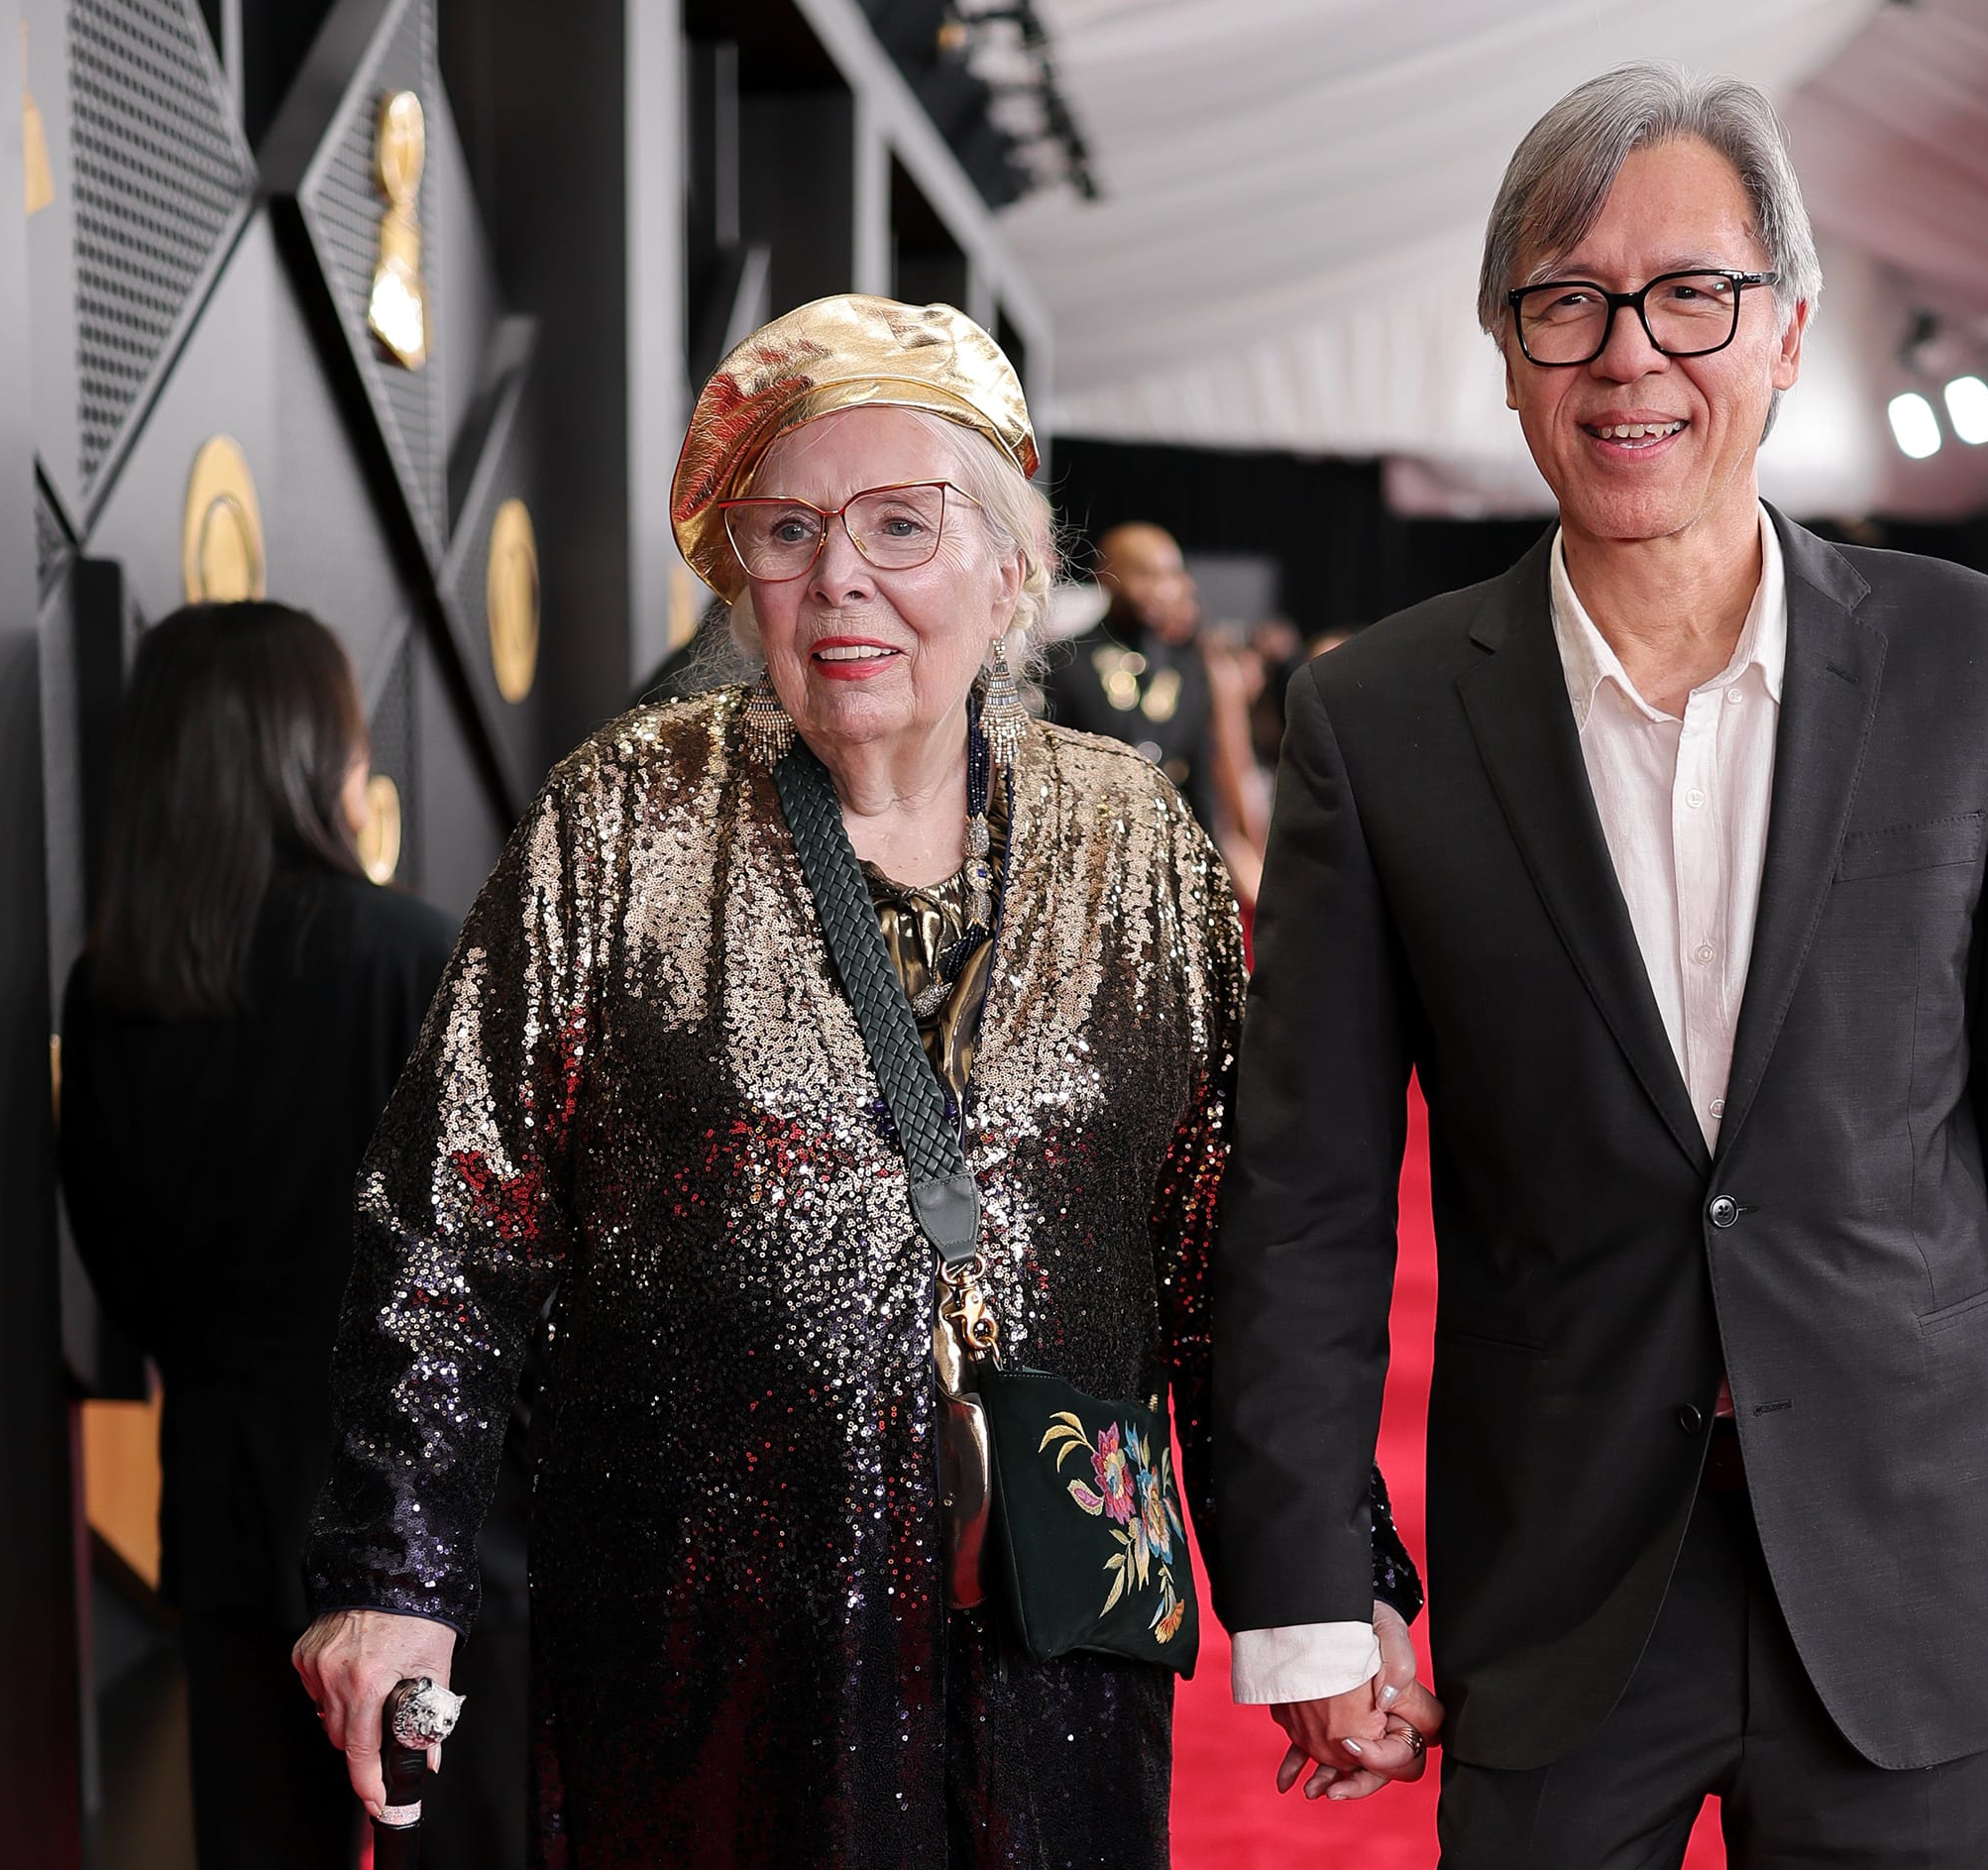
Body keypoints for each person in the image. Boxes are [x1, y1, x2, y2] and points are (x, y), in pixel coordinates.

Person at [291, 295, 1430, 1868]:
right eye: (789, 529)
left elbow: (1224, 1262)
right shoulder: (624, 822)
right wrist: (394, 1566)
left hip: (1055, 1644)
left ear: (1015, 567)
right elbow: (447, 1215)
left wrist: (1327, 1583)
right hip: (701, 1653)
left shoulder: (1134, 843)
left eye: (905, 523)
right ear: (737, 572)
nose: (842, 578)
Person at [1211, 62, 1988, 1867]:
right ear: (1505, 352)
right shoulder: (1379, 715)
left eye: (1691, 294)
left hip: (1904, 1567)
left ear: (1788, 332)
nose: (1629, 354)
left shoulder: (1979, 662)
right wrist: (1312, 1594)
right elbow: (1308, 1195)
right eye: (1566, 301)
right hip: (1560, 1579)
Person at [58, 601, 457, 1870]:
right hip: (415, 1525)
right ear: (314, 750)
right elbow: (480, 1267)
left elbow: (118, 1266)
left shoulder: (115, 988)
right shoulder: (409, 950)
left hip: (228, 1503)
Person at [1043, 521, 1223, 833]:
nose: (1162, 589)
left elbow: (1201, 786)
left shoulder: (1189, 670)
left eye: (1171, 575)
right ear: (1105, 574)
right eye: (1145, 574)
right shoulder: (1065, 661)